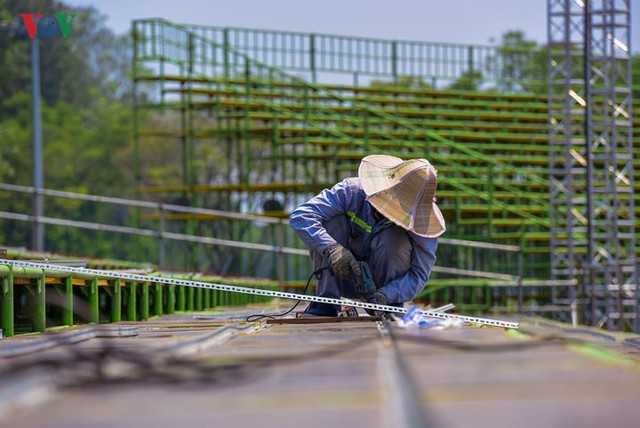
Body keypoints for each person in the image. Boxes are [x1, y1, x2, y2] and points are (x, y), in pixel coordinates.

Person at [289, 154, 445, 317]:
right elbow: (301, 217)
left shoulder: (423, 223)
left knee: (394, 239)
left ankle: (389, 308)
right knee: (331, 220)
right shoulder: (351, 192)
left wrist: (387, 294)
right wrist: (332, 249)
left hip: (383, 292)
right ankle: (326, 304)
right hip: (341, 275)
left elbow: (418, 275)